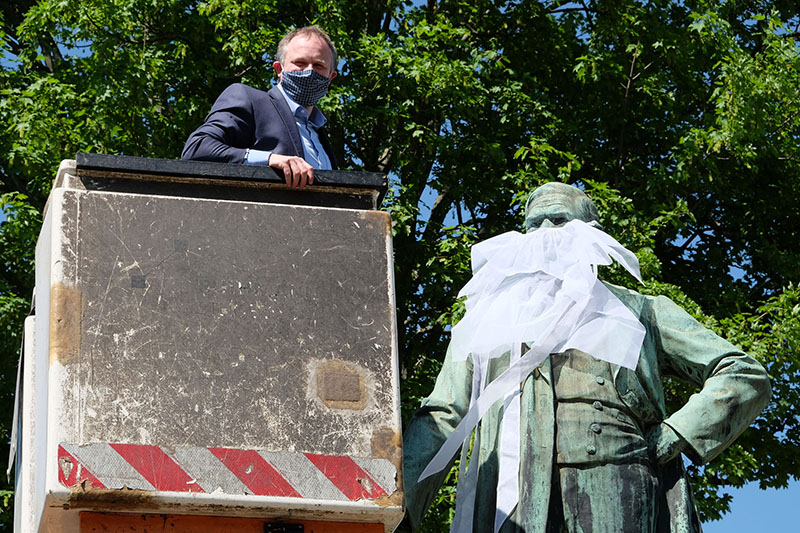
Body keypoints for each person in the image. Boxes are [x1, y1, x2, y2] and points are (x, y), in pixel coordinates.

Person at [402, 182, 771, 533]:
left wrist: (677, 432)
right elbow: (443, 415)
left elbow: (742, 372)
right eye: (535, 224)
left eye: (559, 220)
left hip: (621, 482)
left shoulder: (640, 310)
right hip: (515, 492)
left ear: (590, 230)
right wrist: (395, 507)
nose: (546, 230)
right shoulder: (485, 322)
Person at [181, 25, 338, 189]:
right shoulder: (250, 100)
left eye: (319, 65)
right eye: (300, 62)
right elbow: (197, 148)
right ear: (279, 69)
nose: (309, 71)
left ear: (331, 77)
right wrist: (271, 159)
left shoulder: (318, 133)